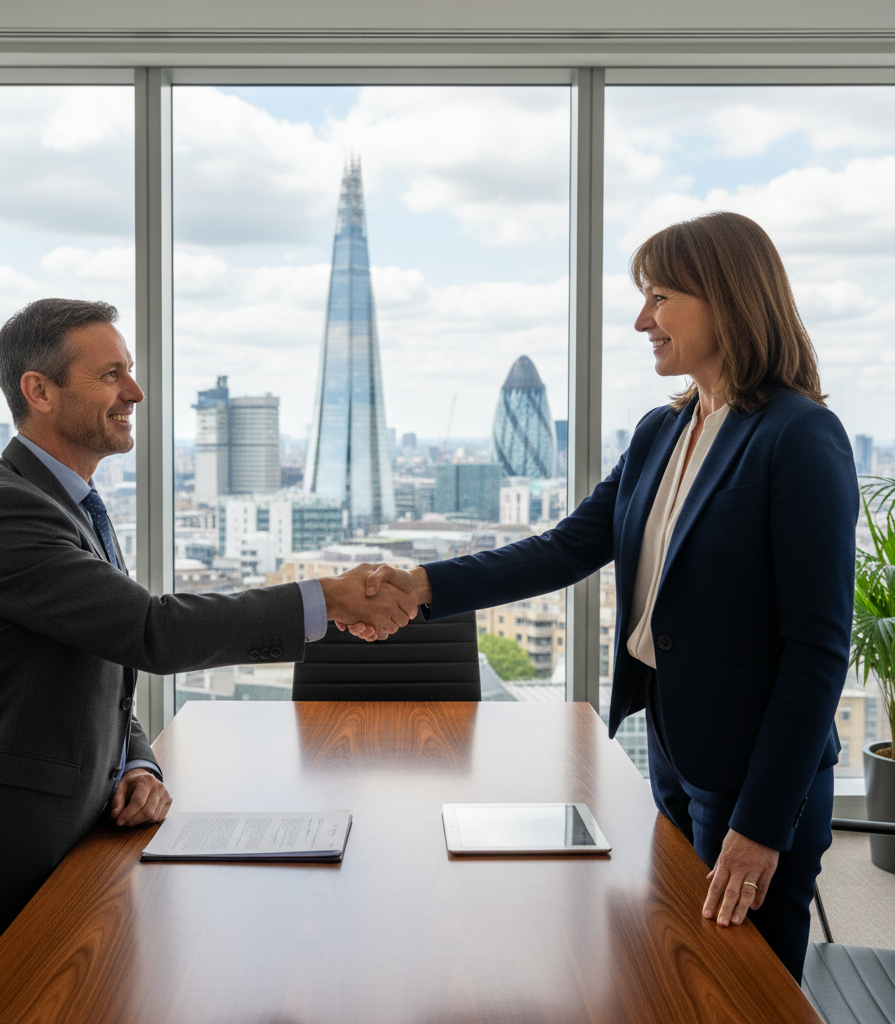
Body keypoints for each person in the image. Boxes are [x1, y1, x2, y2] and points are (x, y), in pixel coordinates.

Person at [351, 212, 858, 981]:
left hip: (755, 775)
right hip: (674, 751)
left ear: (725, 299)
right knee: (678, 970)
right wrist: (423, 587)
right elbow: (565, 547)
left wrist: (760, 823)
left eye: (659, 297)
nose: (641, 320)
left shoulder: (800, 437)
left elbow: (818, 649)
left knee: (745, 988)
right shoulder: (664, 430)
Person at [0, 298, 416, 973]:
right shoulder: (4, 512)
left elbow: (102, 665)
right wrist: (325, 599)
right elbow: (150, 631)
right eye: (110, 375)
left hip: (85, 830)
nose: (135, 392)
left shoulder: (69, 503)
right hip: (16, 851)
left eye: (129, 371)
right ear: (38, 390)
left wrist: (138, 762)